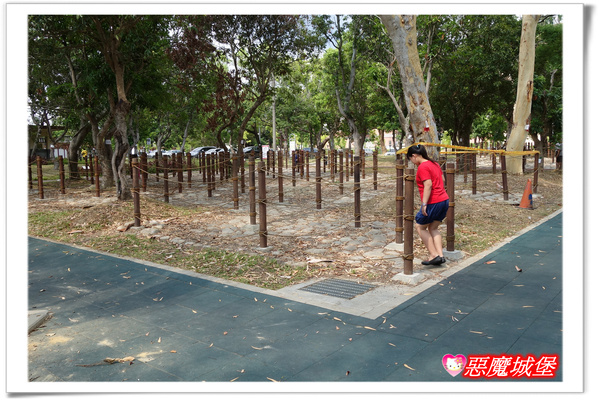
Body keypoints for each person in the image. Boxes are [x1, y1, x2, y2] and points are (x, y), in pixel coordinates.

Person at [407, 144, 450, 266]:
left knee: (420, 226)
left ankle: (433, 255)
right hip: (444, 200)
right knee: (433, 228)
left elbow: (428, 184)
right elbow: (443, 180)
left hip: (433, 201)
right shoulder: (434, 163)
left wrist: (424, 203)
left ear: (414, 156)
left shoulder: (423, 167)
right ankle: (440, 256)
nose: (412, 161)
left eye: (410, 159)